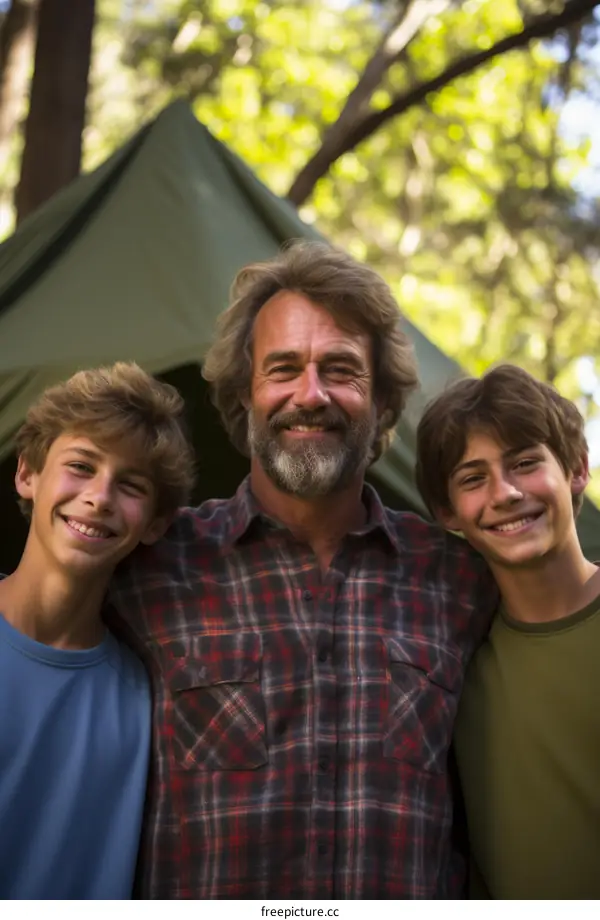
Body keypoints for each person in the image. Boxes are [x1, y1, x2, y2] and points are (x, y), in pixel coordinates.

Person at [109, 241, 495, 899]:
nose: (310, 395)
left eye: (341, 370)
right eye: (283, 368)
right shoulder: (148, 570)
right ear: (245, 393)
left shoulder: (461, 583)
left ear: (382, 401)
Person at [0, 362, 194, 899]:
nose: (100, 496)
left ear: (155, 524)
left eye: (130, 485)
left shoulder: (145, 694)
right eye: (81, 466)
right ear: (27, 474)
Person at [415, 364, 600, 899]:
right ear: (447, 511)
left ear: (577, 468)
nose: (505, 493)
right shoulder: (454, 663)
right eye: (473, 479)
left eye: (524, 463)